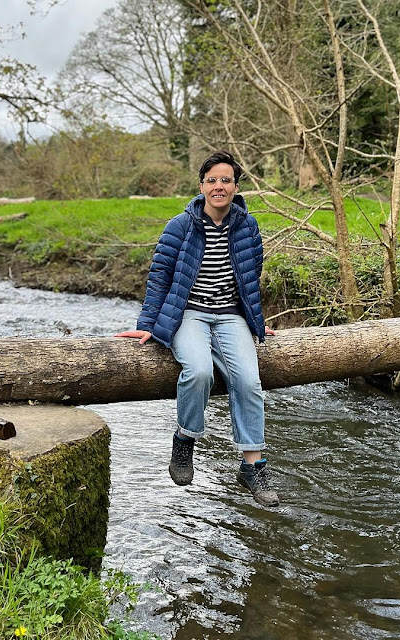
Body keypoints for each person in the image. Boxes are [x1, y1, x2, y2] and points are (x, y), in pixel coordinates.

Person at [115, 150, 279, 507]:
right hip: (188, 313)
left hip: (231, 315)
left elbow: (251, 278)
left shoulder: (248, 227)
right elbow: (159, 278)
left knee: (249, 380)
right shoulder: (180, 225)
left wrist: (256, 322)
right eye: (211, 180)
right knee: (199, 370)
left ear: (236, 186)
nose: (218, 186)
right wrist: (147, 326)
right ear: (201, 185)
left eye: (225, 180)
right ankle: (185, 440)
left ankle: (253, 466)